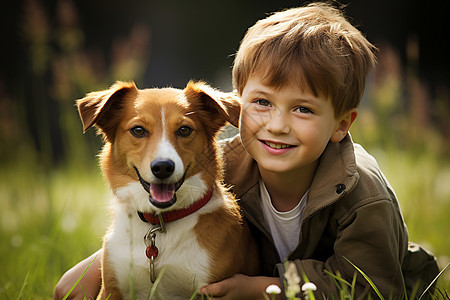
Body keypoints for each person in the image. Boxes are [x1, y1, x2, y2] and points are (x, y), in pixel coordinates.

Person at [54, 3, 439, 299]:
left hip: (339, 287)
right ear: (236, 105)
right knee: (72, 285)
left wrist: (261, 290)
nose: (277, 124)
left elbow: (369, 288)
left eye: (302, 108)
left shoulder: (363, 196)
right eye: (262, 103)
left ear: (341, 124)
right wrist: (110, 262)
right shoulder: (221, 160)